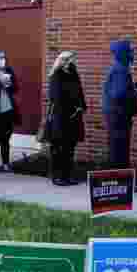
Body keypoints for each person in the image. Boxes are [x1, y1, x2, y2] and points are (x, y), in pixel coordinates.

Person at [102, 39, 137, 191]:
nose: (133, 54)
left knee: (118, 150)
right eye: (130, 51)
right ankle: (118, 184)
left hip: (116, 116)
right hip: (118, 116)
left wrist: (132, 87)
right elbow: (118, 94)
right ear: (123, 53)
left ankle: (119, 182)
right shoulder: (120, 70)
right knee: (119, 152)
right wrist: (134, 92)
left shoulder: (119, 68)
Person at [45, 51, 87, 186]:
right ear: (62, 60)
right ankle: (57, 176)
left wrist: (81, 106)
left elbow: (80, 92)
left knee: (70, 148)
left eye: (73, 59)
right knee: (59, 148)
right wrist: (71, 105)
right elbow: (55, 98)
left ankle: (68, 175)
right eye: (69, 59)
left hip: (74, 117)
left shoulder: (74, 73)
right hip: (60, 118)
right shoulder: (56, 75)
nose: (72, 62)